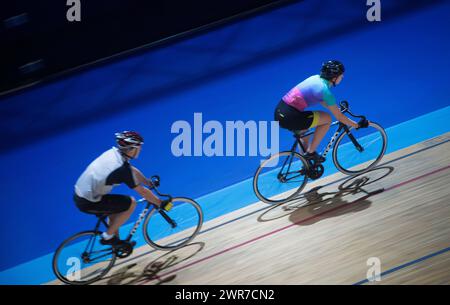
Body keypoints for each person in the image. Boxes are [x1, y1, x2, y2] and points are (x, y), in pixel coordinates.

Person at [73, 131, 171, 246]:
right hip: (88, 201)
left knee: (116, 209)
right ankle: (107, 237)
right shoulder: (121, 169)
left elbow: (131, 169)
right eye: (139, 147)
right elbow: (142, 192)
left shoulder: (114, 153)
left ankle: (117, 244)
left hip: (83, 194)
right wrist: (160, 203)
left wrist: (147, 182)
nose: (141, 150)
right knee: (131, 203)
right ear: (131, 149)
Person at [274, 60, 369, 163]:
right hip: (290, 115)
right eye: (341, 75)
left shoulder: (315, 79)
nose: (343, 77)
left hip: (280, 112)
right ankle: (311, 153)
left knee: (305, 133)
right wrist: (357, 125)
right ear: (334, 77)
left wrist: (336, 110)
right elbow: (339, 117)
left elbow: (323, 102)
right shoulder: (324, 91)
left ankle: (306, 166)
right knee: (327, 118)